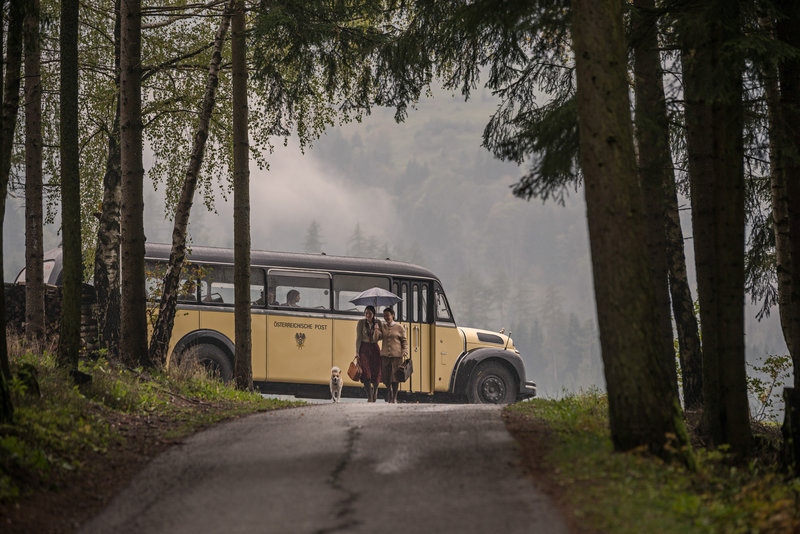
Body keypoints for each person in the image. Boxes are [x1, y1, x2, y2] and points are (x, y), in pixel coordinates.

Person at [379, 307, 408, 403]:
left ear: (393, 315)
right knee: (386, 377)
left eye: (387, 315)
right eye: (384, 316)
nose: (386, 317)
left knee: (395, 377)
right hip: (384, 356)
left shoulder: (399, 327)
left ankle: (394, 397)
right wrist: (375, 329)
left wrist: (405, 351)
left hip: (396, 356)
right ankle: (389, 392)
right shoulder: (382, 326)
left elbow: (404, 341)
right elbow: (377, 338)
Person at [355, 305, 382, 402]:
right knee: (365, 373)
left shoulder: (378, 322)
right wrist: (357, 352)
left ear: (373, 314)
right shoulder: (361, 323)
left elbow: (382, 337)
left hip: (374, 348)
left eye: (369, 313)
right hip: (364, 348)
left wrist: (377, 330)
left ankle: (375, 390)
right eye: (366, 313)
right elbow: (358, 338)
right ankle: (369, 395)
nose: (367, 315)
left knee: (376, 371)